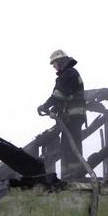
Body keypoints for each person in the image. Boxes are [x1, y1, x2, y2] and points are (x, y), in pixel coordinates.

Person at [37, 49, 86, 179]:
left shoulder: (68, 74)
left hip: (73, 116)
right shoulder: (70, 74)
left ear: (60, 62)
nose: (54, 67)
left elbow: (59, 94)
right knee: (67, 146)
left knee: (72, 146)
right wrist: (55, 108)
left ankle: (75, 174)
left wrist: (45, 106)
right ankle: (68, 174)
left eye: (54, 64)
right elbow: (67, 96)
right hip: (72, 116)